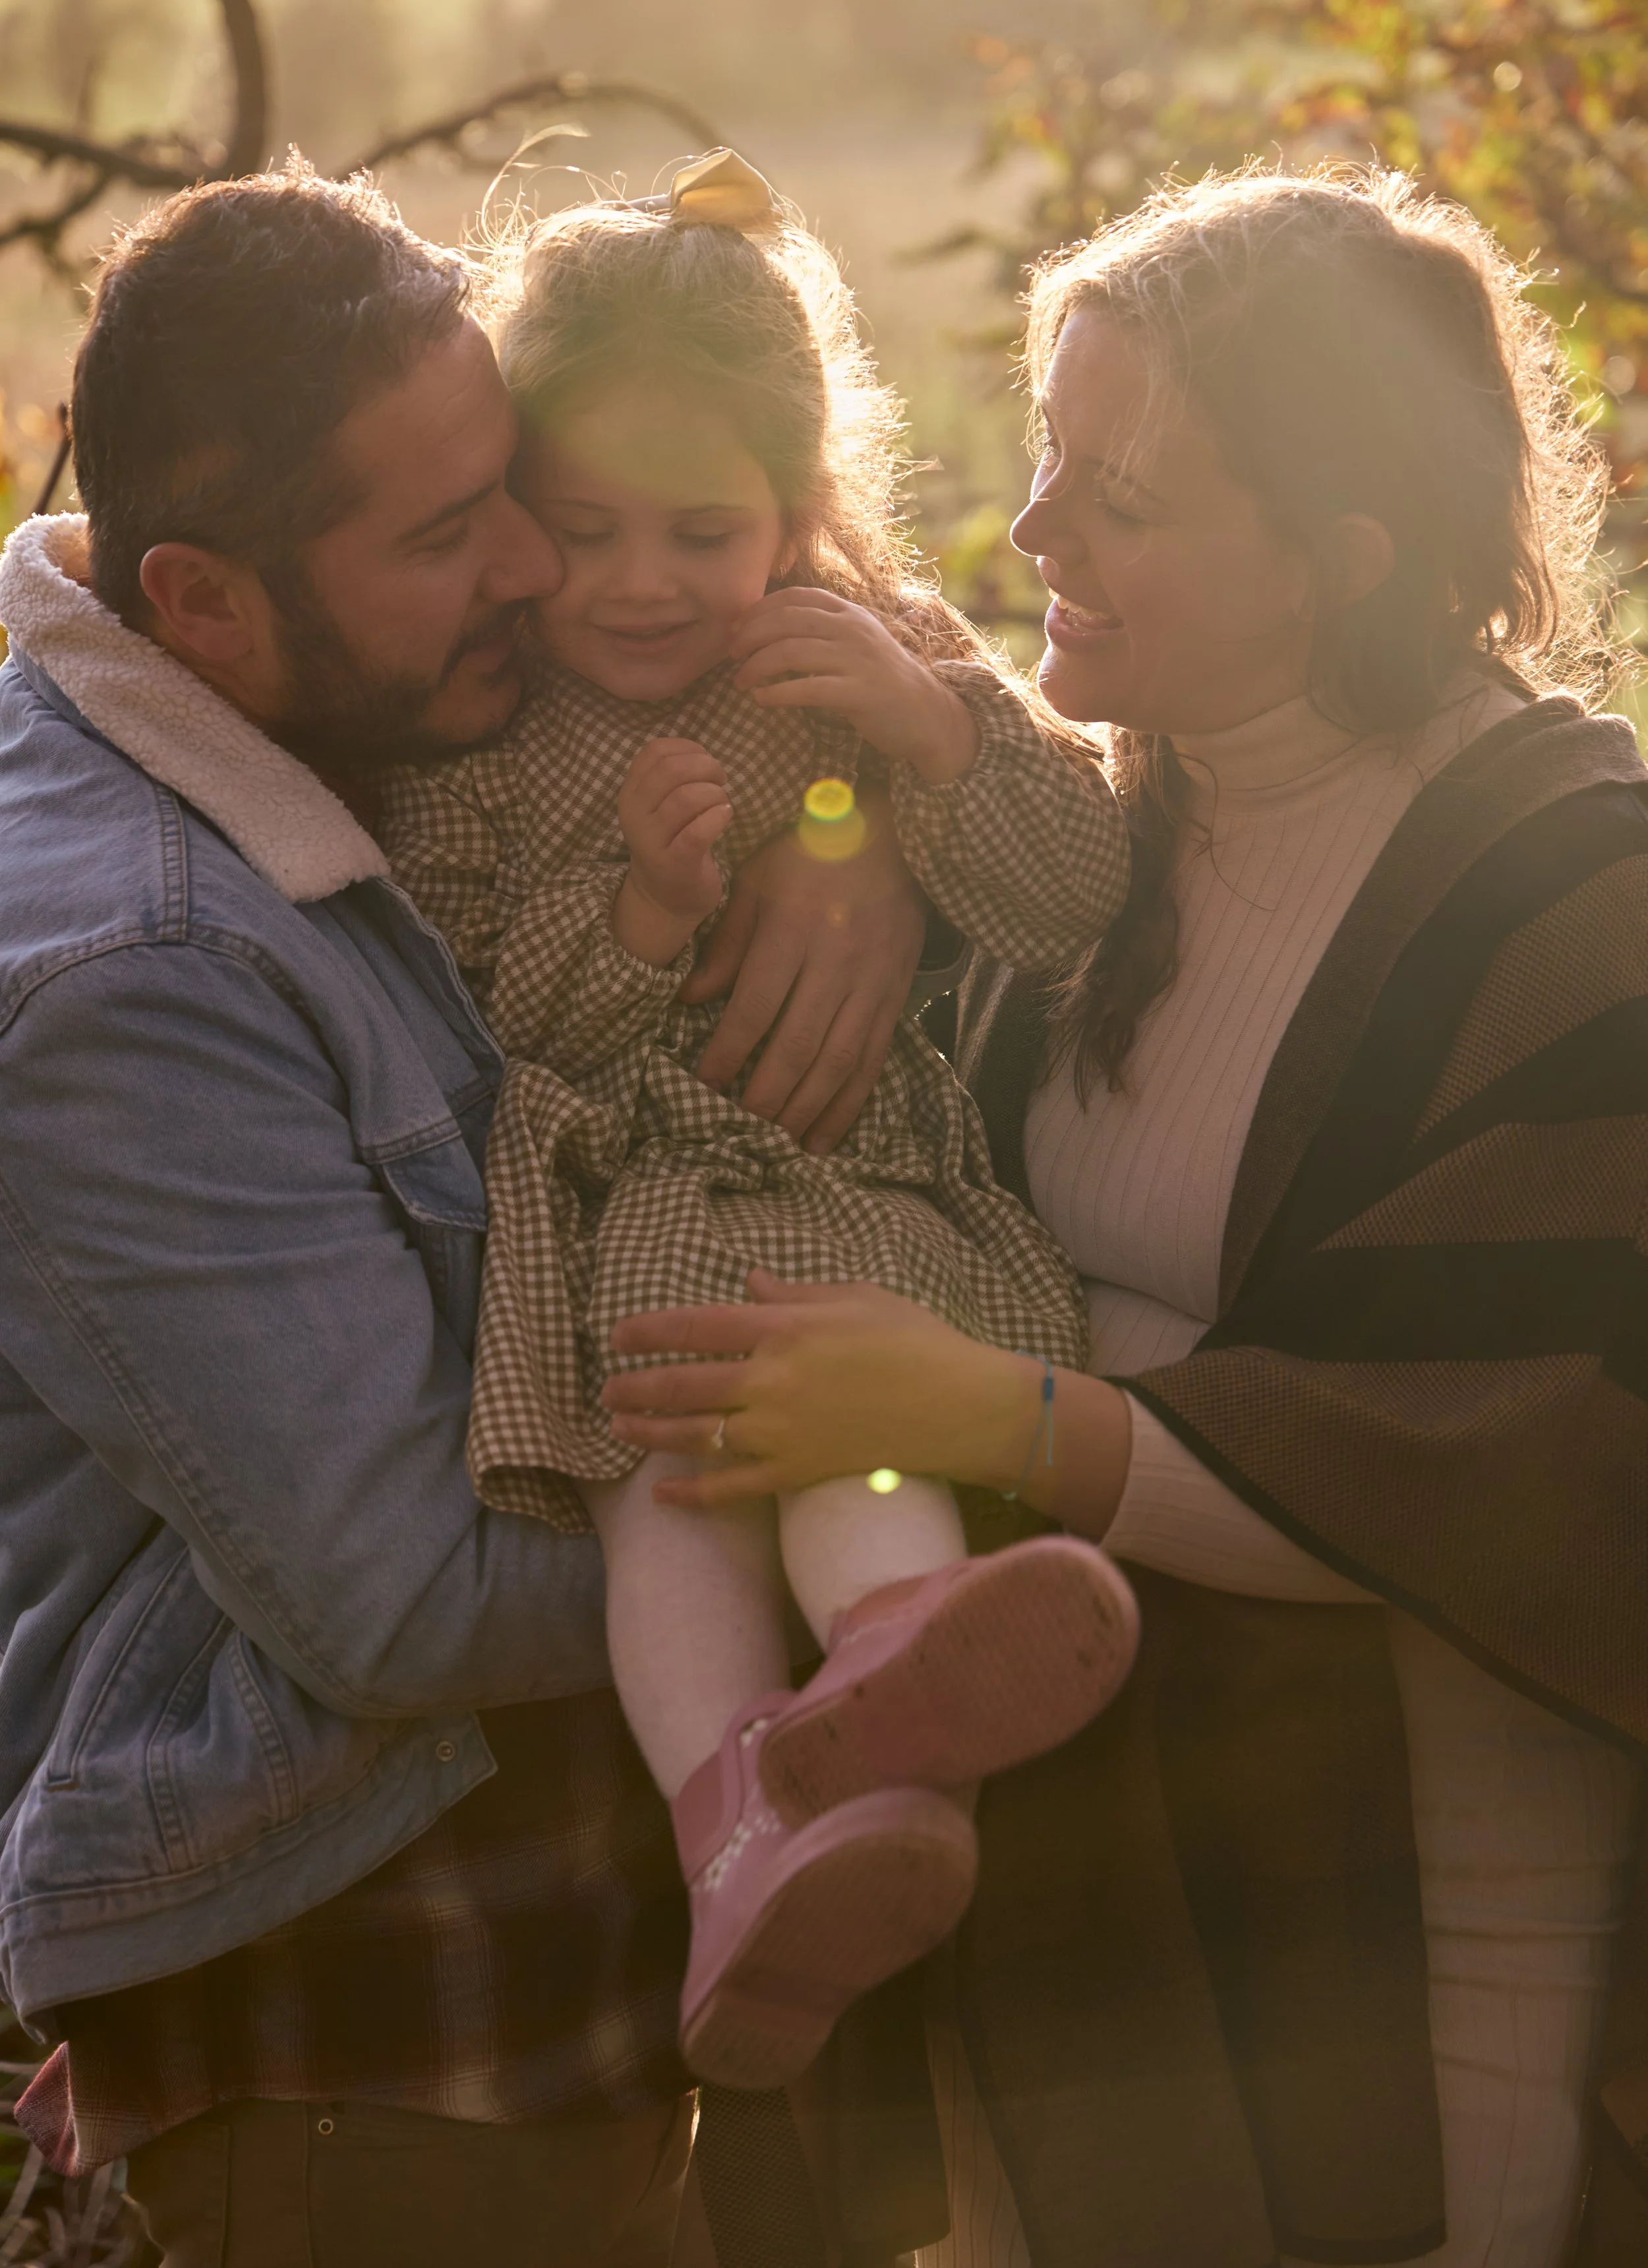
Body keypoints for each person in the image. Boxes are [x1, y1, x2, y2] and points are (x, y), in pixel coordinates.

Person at [603, 168, 1648, 2267]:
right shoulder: (1096, 830)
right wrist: (843, 836)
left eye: (1122, 497)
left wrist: (993, 1417)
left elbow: (1529, 1473)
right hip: (1076, 1922)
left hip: (1416, 1940)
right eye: (1045, 455)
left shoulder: (1571, 903)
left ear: (1338, 556)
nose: (1030, 534)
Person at [0, 163, 947, 2268]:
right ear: (205, 599)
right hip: (377, 2058)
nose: (534, 562)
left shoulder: (317, 714)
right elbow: (408, 1595)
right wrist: (923, 1482)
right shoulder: (124, 976)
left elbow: (757, 567)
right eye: (450, 534)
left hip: (562, 2015)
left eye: (504, 481)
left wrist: (844, 818)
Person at [376, 152, 1141, 2096]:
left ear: (796, 509)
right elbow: (481, 1032)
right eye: (584, 530)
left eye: (701, 531)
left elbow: (1073, 900)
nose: (639, 581)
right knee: (675, 1501)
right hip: (625, 1221)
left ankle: (898, 1681)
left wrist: (931, 736)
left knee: (854, 1442)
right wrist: (641, 915)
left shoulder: (878, 658)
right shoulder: (485, 736)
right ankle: (739, 1831)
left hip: (852, 1210)